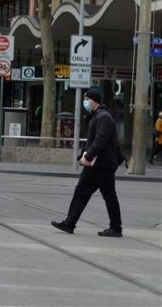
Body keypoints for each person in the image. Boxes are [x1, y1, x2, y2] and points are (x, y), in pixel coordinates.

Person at [52, 88, 123, 237]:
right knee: (81, 193)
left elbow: (100, 141)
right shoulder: (96, 115)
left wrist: (88, 157)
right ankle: (69, 223)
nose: (85, 102)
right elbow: (92, 141)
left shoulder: (103, 117)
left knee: (109, 196)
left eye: (86, 99)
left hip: (103, 165)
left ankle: (116, 228)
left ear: (94, 100)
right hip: (94, 165)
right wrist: (82, 156)